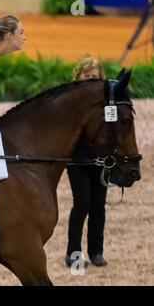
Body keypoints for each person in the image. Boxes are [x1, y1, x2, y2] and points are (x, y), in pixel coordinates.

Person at [65, 57, 108, 268]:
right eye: (87, 76)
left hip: (101, 161)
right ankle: (73, 254)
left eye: (95, 77)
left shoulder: (105, 101)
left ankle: (96, 252)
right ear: (78, 76)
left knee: (98, 207)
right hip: (77, 160)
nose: (91, 79)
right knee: (82, 205)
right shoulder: (71, 100)